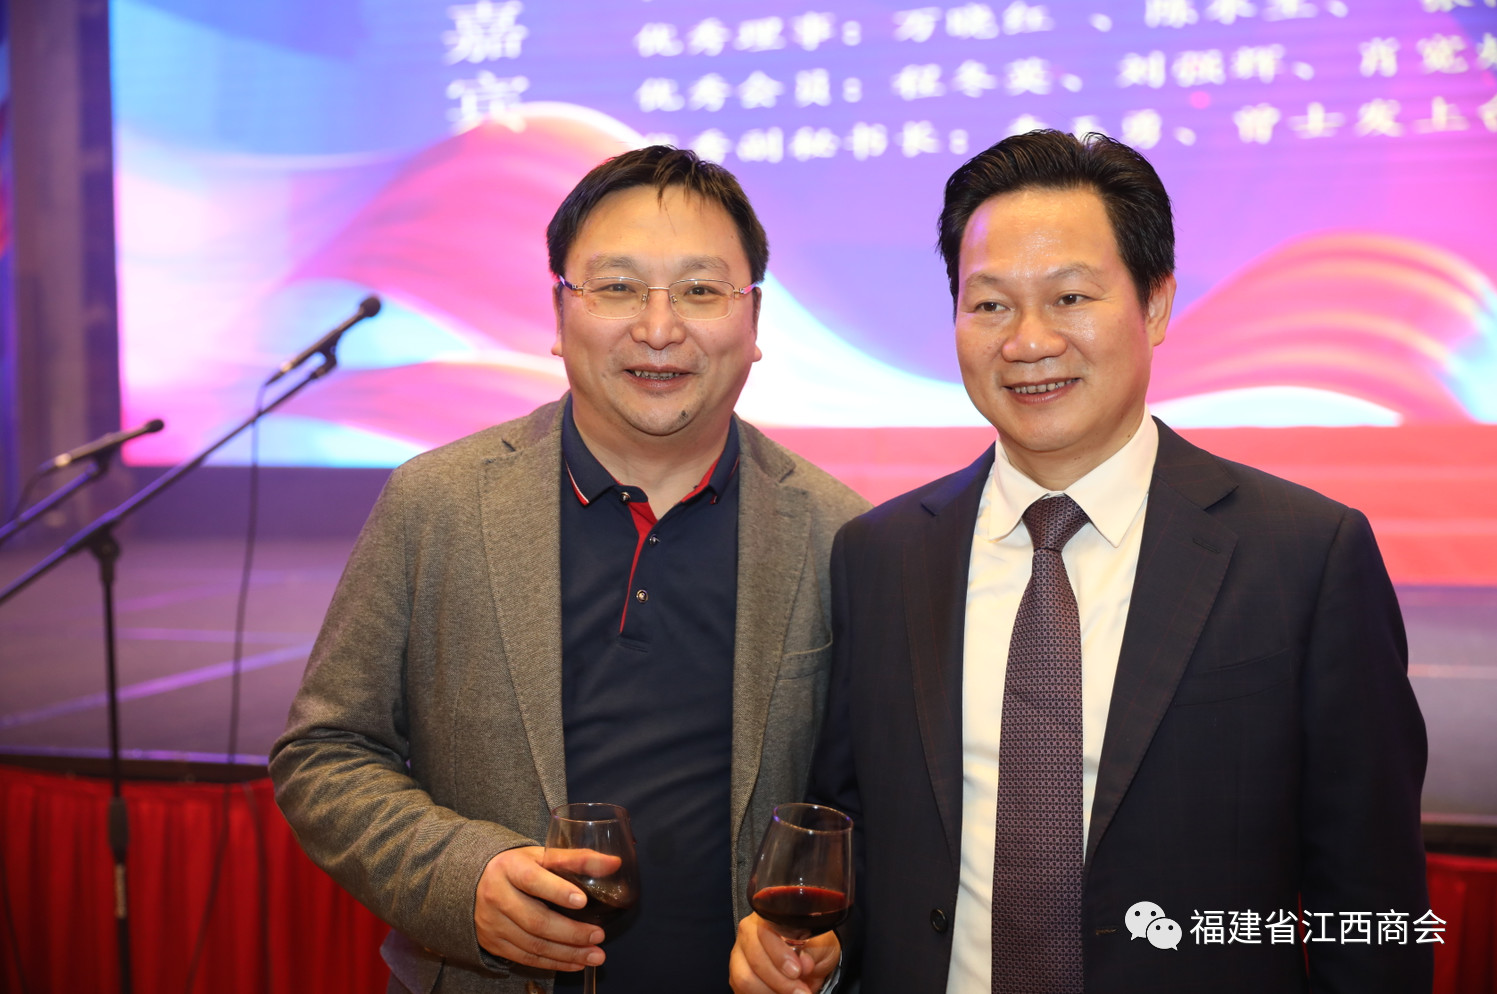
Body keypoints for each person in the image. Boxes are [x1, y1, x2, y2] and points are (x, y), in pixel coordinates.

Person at [730, 130, 1431, 994]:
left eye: (1069, 297)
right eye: (990, 305)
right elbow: (860, 836)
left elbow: (1371, 904)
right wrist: (824, 950)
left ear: (1156, 304)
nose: (1028, 341)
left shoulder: (1303, 556)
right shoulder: (880, 555)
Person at [270, 145, 869, 994]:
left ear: (754, 320)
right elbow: (325, 751)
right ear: (558, 314)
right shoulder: (436, 503)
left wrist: (827, 940)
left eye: (699, 291)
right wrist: (463, 879)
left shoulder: (837, 533)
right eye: (616, 287)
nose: (658, 329)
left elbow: (877, 804)